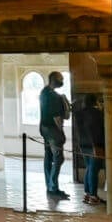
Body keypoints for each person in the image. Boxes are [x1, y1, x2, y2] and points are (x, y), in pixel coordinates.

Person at [39, 71, 71, 199]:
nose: (62, 81)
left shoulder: (44, 92)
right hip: (52, 129)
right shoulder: (53, 96)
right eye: (60, 79)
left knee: (48, 157)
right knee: (58, 158)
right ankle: (53, 187)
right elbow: (56, 117)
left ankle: (50, 185)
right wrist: (61, 132)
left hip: (44, 127)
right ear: (54, 79)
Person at [74, 94, 105, 205]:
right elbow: (99, 129)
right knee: (94, 169)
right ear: (95, 102)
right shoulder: (97, 114)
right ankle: (93, 195)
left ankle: (87, 194)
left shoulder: (79, 113)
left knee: (89, 168)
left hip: (83, 144)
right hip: (95, 144)